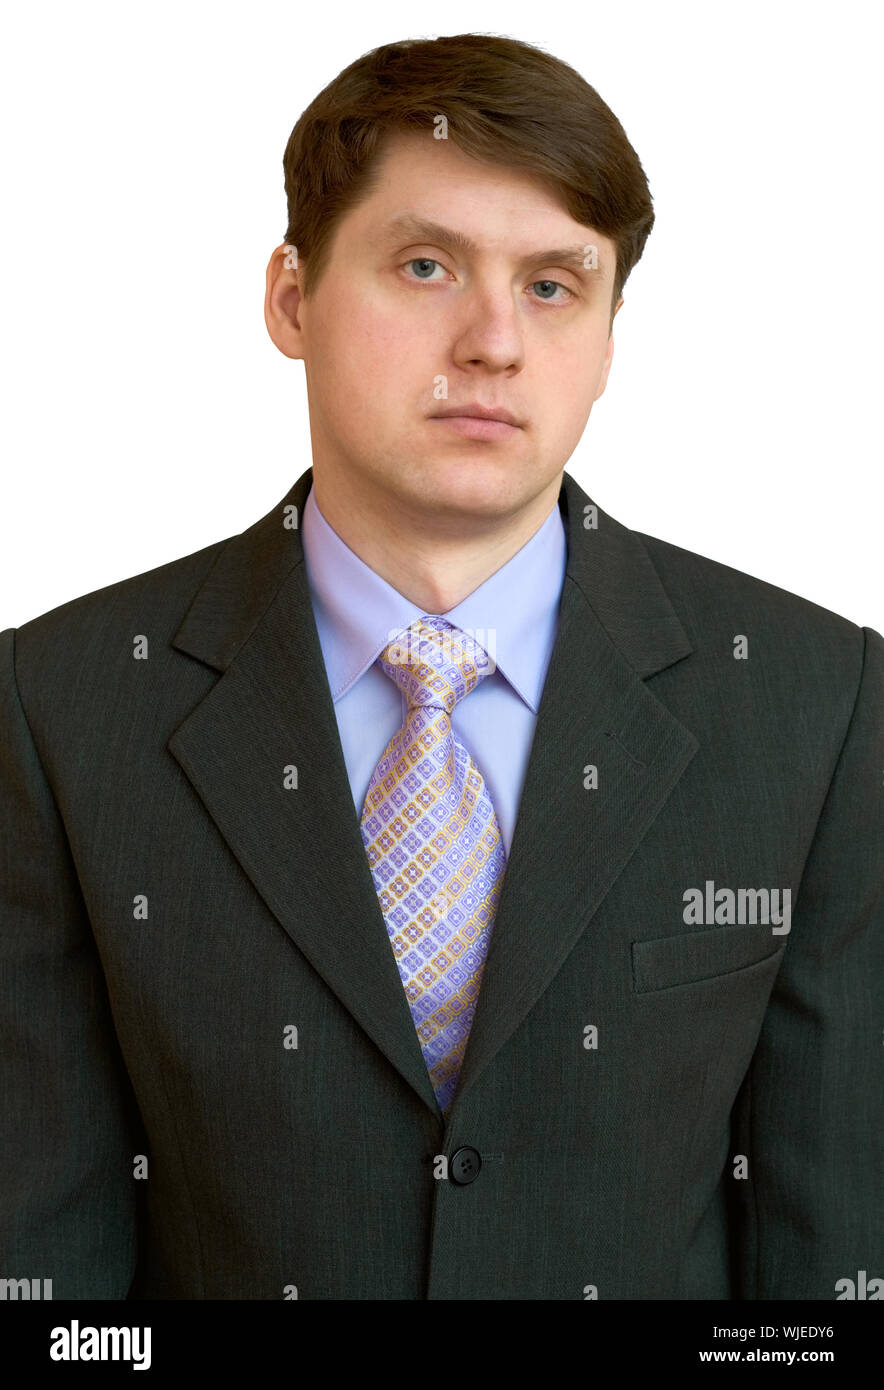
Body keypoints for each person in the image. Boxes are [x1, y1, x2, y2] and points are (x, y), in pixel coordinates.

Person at [1, 32, 881, 1302]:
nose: (492, 342)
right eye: (425, 266)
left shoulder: (816, 705)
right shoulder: (59, 708)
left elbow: (830, 1258)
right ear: (290, 298)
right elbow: (44, 1276)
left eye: (552, 285)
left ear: (608, 333)